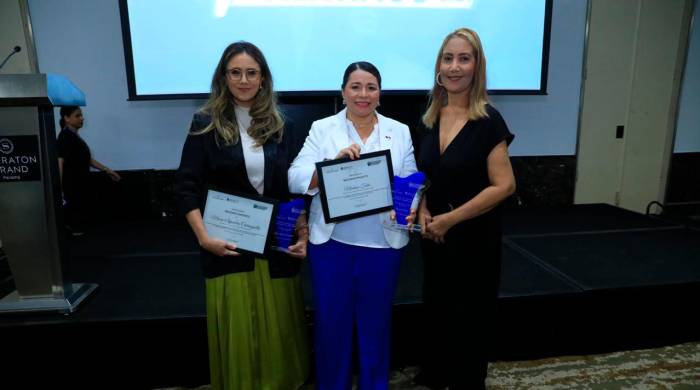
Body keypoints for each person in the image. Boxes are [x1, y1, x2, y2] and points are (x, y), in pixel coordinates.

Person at [173, 41, 309, 390]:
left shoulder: (284, 125)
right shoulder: (204, 123)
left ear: (263, 79)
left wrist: (303, 234)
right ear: (224, 77)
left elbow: (293, 189)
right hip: (227, 247)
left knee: (279, 329)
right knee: (239, 332)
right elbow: (186, 187)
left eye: (252, 72)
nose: (244, 79)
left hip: (277, 251)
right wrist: (204, 239)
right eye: (236, 72)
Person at [288, 61, 417, 390]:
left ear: (380, 93)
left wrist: (407, 207)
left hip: (383, 246)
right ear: (343, 92)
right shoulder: (323, 128)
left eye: (371, 87)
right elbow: (295, 177)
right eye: (355, 87)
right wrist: (332, 166)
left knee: (376, 326)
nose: (363, 94)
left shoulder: (399, 130)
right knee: (332, 325)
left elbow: (411, 180)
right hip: (332, 246)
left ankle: (375, 385)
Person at [412, 28, 516, 389]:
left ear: (477, 67)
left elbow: (505, 185)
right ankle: (437, 374)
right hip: (434, 237)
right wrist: (423, 207)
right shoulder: (429, 117)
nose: (454, 67)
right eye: (448, 58)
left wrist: (450, 220)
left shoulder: (489, 120)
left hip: (474, 238)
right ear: (439, 67)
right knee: (438, 310)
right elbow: (424, 175)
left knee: (470, 316)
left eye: (464, 58)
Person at [56, 106, 121, 235]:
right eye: (77, 116)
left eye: (81, 115)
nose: (82, 118)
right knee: (77, 230)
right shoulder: (65, 137)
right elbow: (60, 162)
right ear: (67, 118)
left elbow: (87, 160)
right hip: (72, 188)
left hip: (81, 185)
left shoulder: (75, 137)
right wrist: (60, 188)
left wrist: (108, 170)